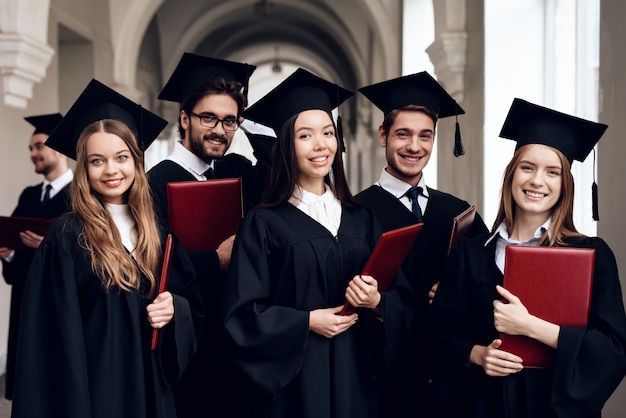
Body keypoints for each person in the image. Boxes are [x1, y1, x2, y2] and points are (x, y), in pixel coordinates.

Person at [223, 68, 414, 418]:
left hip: (357, 381)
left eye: (327, 132)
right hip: (296, 390)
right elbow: (241, 317)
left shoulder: (362, 219)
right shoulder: (263, 223)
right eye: (305, 136)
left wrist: (376, 302)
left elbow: (402, 300)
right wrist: (305, 322)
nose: (320, 144)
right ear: (286, 146)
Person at [10, 79, 203, 418]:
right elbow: (44, 339)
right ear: (83, 168)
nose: (111, 170)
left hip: (151, 393)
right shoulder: (67, 237)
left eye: (121, 157)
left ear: (136, 160)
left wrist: (175, 310)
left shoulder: (157, 232)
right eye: (97, 161)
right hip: (93, 395)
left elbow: (191, 304)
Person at [431, 98, 626, 418]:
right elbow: (436, 333)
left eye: (552, 172)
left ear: (565, 185)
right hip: (483, 405)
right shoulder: (471, 253)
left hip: (551, 408)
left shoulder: (590, 255)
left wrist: (532, 327)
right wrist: (477, 354)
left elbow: (613, 352)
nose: (538, 181)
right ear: (511, 175)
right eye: (528, 167)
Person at [356, 71, 488, 418]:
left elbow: (490, 282)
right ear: (383, 135)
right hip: (387, 375)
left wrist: (455, 290)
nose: (414, 146)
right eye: (403, 134)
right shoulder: (354, 212)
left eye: (425, 136)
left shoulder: (459, 212)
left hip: (451, 375)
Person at [147, 52, 269, 418]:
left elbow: (278, 169)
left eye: (230, 121)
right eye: (208, 117)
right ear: (184, 118)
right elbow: (154, 261)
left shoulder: (236, 170)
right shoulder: (155, 181)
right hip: (187, 334)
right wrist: (216, 259)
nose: (219, 129)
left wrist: (249, 124)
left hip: (236, 329)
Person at [0, 112, 71, 400]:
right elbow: (13, 241)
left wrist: (50, 246)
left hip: (58, 298)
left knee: (57, 382)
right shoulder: (29, 195)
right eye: (31, 148)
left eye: (39, 146)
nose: (33, 153)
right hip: (26, 296)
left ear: (57, 148)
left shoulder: (81, 194)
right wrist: (8, 255)